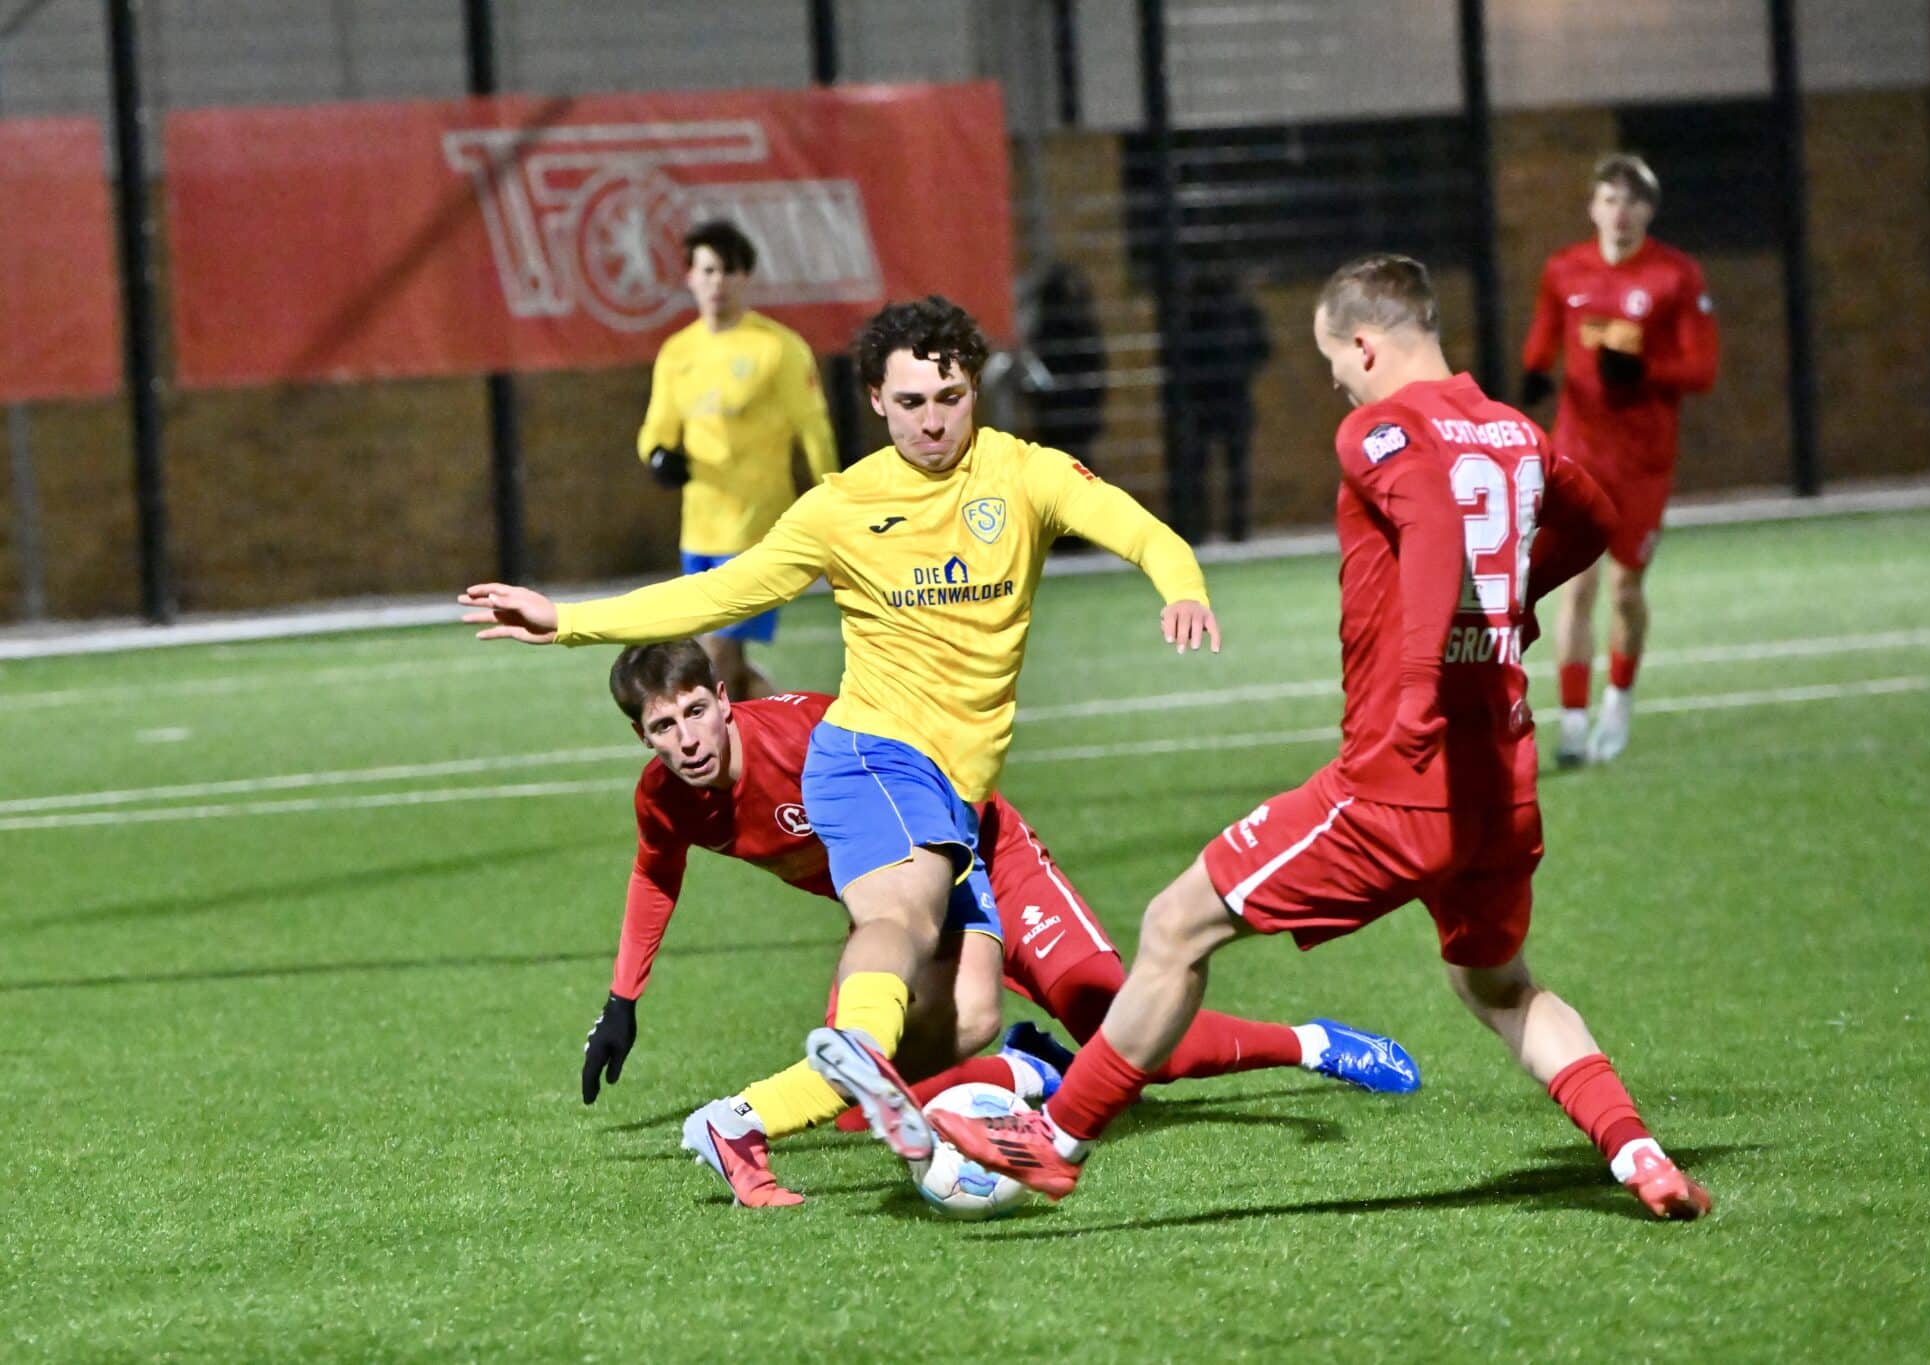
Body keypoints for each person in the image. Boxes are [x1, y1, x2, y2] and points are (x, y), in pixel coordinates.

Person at [932, 254, 1714, 1222]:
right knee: (1499, 987)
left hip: (1395, 783)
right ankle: (1635, 1153)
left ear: (1362, 342)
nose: (1335, 385)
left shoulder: (1378, 429)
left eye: (1332, 363)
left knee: (1177, 925)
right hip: (1499, 784)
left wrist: (1421, 689)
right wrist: (1505, 611)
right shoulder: (1512, 430)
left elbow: (1430, 533)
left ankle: (1052, 1141)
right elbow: (1589, 518)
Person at [462, 295, 1222, 1171]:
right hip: (868, 752)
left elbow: (1141, 530)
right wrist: (566, 620)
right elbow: (721, 594)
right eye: (910, 403)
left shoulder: (1026, 475)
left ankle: (788, 1100)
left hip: (956, 789)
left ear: (975, 388)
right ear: (874, 399)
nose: (933, 421)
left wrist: (1183, 585)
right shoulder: (843, 507)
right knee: (899, 912)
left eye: (950, 398)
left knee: (969, 1014)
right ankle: (855, 1048)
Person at [581, 639, 1419, 1207]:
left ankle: (1312, 1042)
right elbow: (655, 874)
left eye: (695, 711)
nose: (686, 738)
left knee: (1127, 1032)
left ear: (724, 699)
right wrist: (623, 999)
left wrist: (954, 893)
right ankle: (1023, 1070)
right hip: (906, 910)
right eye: (663, 727)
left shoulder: (811, 734)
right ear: (641, 735)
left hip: (985, 853)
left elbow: (940, 771)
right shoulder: (665, 800)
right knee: (856, 1098)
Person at [1518, 155, 1719, 765]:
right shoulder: (1564, 270)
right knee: (1575, 585)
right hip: (1579, 452)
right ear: (1593, 207)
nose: (1620, 213)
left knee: (1626, 589)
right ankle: (1573, 724)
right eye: (1609, 200)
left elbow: (1703, 369)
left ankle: (1618, 703)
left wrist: (1646, 371)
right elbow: (1545, 335)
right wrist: (1533, 372)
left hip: (1643, 460)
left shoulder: (1676, 276)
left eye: (1632, 202)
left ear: (1649, 211)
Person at [637, 220, 838, 700]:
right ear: (689, 276)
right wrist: (658, 456)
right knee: (732, 670)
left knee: (714, 659)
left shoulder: (778, 349)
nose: (717, 282)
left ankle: (717, 771)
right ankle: (791, 742)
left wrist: (835, 499)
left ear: (746, 278)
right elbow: (656, 430)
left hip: (757, 531)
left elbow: (814, 431)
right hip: (699, 530)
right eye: (707, 270)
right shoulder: (677, 353)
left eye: (728, 271)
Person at [1185, 269, 1272, 542]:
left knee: (1207, 466)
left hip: (1208, 397)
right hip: (1226, 395)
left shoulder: (1194, 310)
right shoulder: (1239, 309)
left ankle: (1204, 529)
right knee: (1229, 465)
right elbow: (1263, 348)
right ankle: (1234, 528)